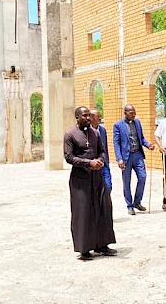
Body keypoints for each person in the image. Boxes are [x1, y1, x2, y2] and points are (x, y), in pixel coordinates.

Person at [64, 106, 117, 260]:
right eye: (84, 116)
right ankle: (84, 249)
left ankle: (102, 244)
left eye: (89, 116)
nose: (88, 118)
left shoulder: (95, 133)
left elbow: (102, 151)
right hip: (80, 179)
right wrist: (89, 163)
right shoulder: (70, 135)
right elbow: (69, 157)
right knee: (83, 213)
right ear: (77, 117)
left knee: (103, 208)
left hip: (97, 177)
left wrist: (100, 161)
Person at [113, 104, 158, 215]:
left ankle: (137, 202)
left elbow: (141, 138)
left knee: (142, 177)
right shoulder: (118, 125)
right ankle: (130, 205)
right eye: (131, 113)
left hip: (137, 155)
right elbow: (116, 143)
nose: (134, 114)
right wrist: (119, 159)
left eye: (134, 112)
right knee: (127, 182)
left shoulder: (137, 122)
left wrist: (148, 145)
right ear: (125, 113)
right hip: (125, 157)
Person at [90, 110, 112, 191]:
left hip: (103, 163)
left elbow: (105, 147)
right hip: (92, 164)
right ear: (91, 118)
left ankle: (104, 203)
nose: (100, 118)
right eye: (98, 116)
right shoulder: (87, 131)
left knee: (108, 186)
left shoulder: (103, 130)